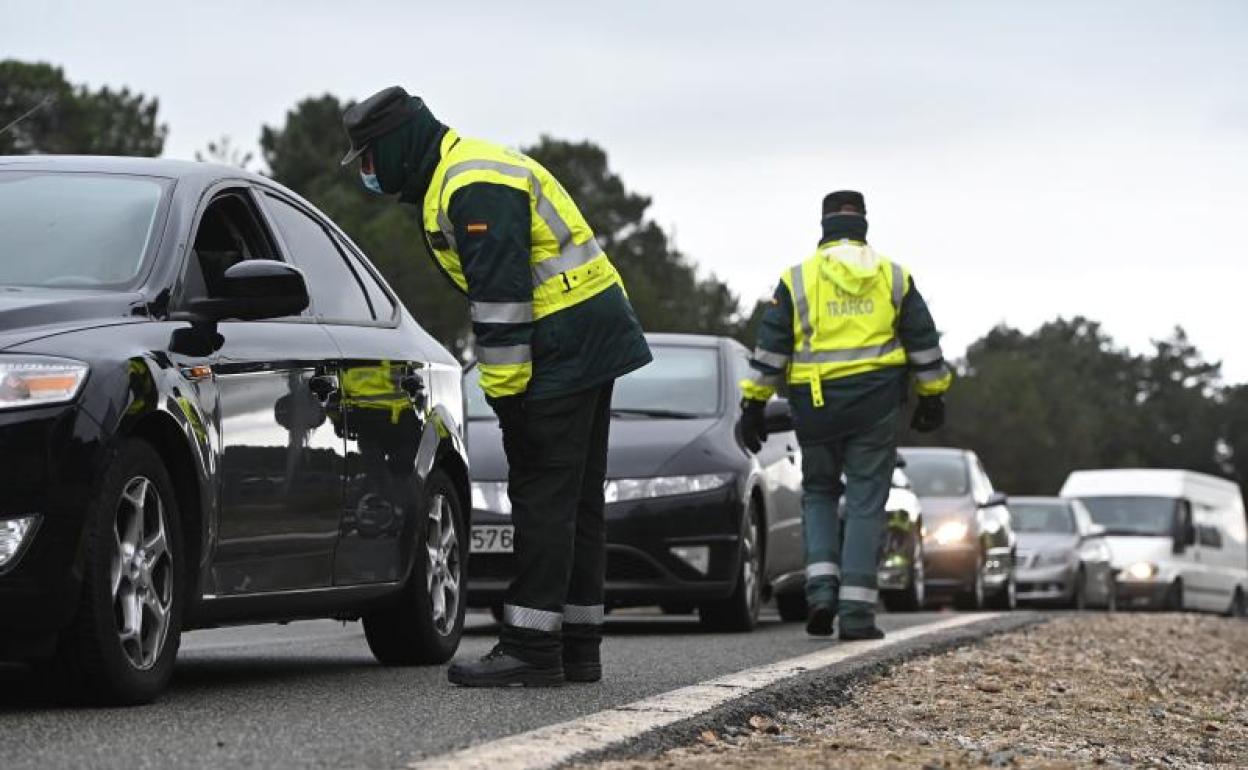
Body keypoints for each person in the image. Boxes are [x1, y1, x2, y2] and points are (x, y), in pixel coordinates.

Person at [341, 87, 651, 686]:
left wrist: (506, 398)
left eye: (371, 159)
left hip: (563, 338)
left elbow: (503, 302)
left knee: (542, 493)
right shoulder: (465, 171)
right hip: (590, 330)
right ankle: (577, 646)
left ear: (400, 143)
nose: (370, 175)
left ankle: (532, 649)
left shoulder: (468, 183)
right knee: (576, 500)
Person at [737, 190, 951, 640]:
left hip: (815, 407)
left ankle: (819, 592)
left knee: (817, 493)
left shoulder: (798, 279)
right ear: (864, 224)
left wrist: (753, 403)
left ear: (824, 225)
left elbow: (771, 348)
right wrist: (932, 396)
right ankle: (855, 614)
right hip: (875, 404)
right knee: (865, 503)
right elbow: (924, 343)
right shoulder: (894, 276)